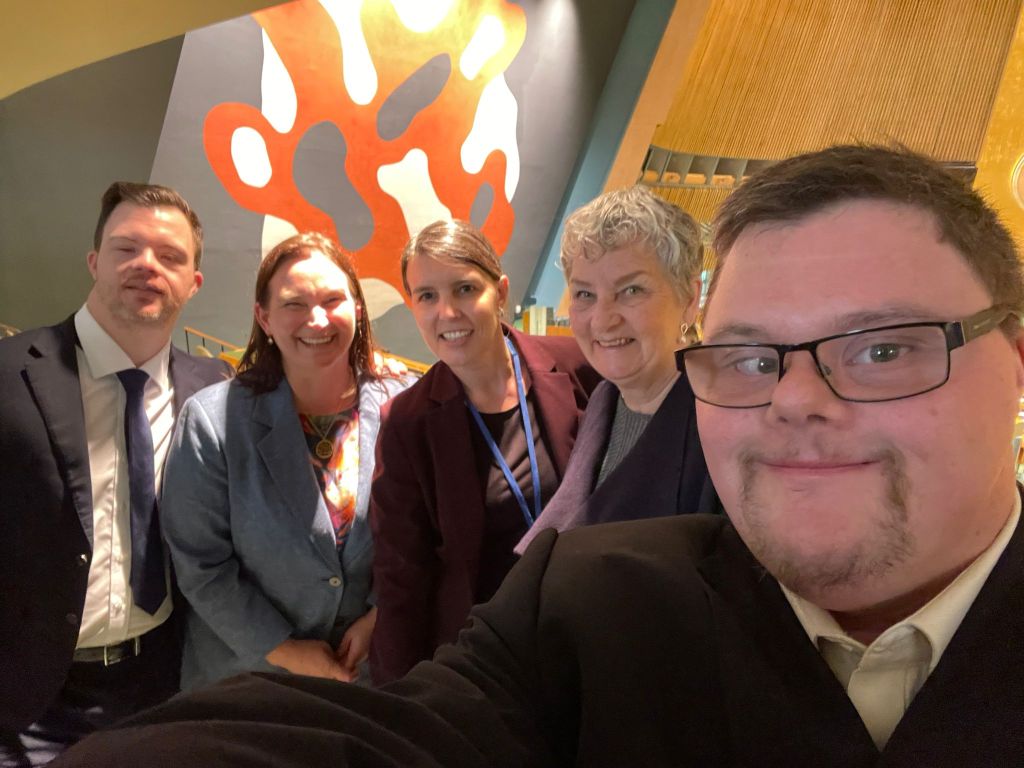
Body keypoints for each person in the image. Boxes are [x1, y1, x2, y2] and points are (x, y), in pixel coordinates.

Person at [51, 144, 1024, 766]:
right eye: (754, 356)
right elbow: (424, 723)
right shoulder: (590, 597)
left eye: (883, 348)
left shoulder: (567, 378)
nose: (796, 403)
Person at [0, 182, 231, 765]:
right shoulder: (7, 376)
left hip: (160, 686)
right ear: (94, 260)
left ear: (193, 282)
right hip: (26, 700)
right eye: (127, 248)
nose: (147, 265)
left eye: (170, 256)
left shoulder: (213, 387)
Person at [160, 233, 413, 690]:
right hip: (248, 685)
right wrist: (287, 651)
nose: (317, 320)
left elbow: (426, 534)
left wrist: (381, 615)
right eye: (295, 304)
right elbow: (201, 565)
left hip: (374, 680)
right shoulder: (213, 421)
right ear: (264, 317)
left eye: (333, 299)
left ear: (357, 306)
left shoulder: (405, 407)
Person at [369, 219, 601, 683]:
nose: (447, 312)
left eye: (464, 288)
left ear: (500, 291)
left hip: (591, 628)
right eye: (427, 296)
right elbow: (403, 581)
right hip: (492, 659)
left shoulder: (580, 364)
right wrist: (396, 703)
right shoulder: (407, 423)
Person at [517, 186, 718, 555]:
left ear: (689, 301)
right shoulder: (604, 398)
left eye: (631, 290)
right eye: (585, 294)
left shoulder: (722, 423)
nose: (603, 320)